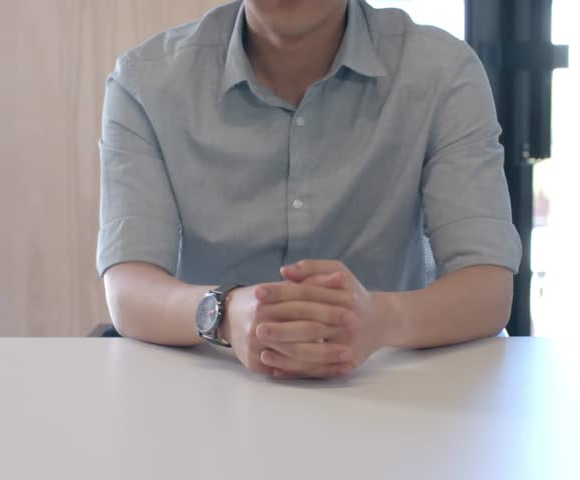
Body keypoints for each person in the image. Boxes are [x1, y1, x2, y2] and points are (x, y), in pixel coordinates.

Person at [97, 0, 521, 379]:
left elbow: (487, 286)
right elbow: (129, 287)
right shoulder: (146, 82)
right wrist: (224, 314)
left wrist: (381, 319)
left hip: (391, 389)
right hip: (212, 386)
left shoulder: (442, 72)